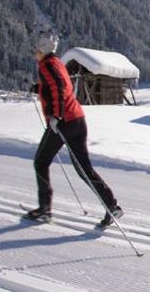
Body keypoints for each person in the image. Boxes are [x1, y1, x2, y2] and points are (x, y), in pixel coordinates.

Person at [25, 34, 123, 228]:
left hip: (63, 122)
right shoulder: (58, 64)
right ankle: (112, 205)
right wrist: (38, 88)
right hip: (77, 119)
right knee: (84, 169)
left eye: (36, 50)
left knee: (40, 162)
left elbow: (60, 89)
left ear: (42, 51)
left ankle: (45, 209)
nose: (34, 53)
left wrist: (56, 115)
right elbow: (60, 86)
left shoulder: (47, 66)